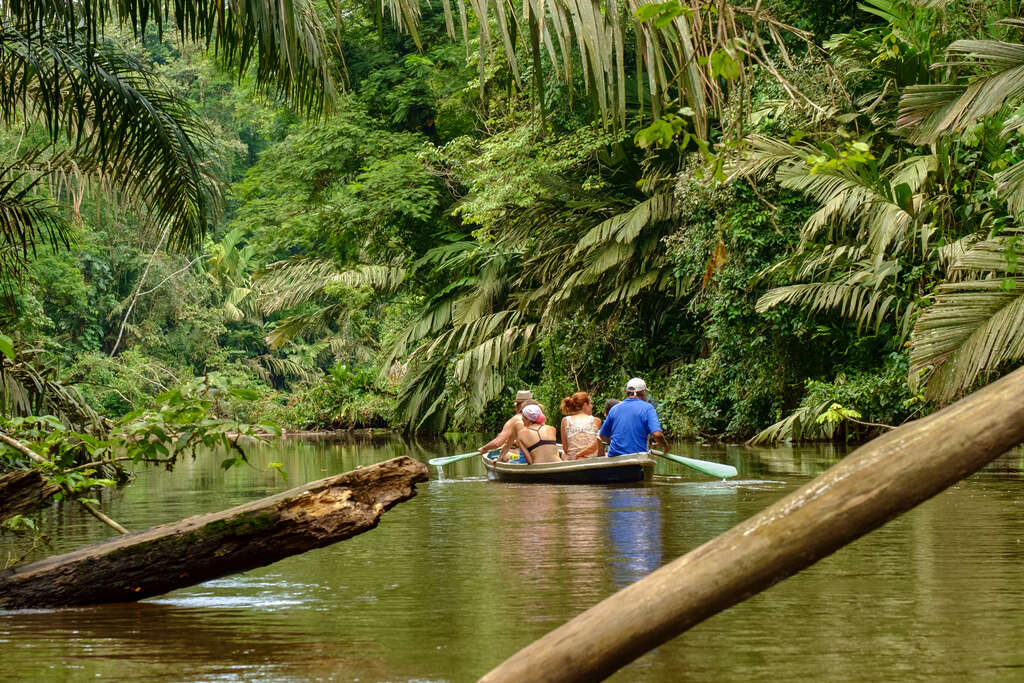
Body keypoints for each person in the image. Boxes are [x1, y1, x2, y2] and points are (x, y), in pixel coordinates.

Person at [599, 378, 667, 457]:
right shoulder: (648, 408)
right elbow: (657, 434)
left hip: (615, 459)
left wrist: (616, 444)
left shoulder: (614, 409)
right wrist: (665, 446)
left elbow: (603, 435)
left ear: (627, 393)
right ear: (643, 392)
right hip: (637, 459)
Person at [478, 390, 535, 456]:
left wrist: (484, 448)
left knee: (500, 454)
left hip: (522, 456)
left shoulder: (515, 419)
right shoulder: (537, 417)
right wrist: (514, 443)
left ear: (518, 406)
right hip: (538, 453)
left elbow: (497, 443)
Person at [560, 391, 603, 460]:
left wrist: (579, 454)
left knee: (563, 455)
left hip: (574, 461)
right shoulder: (596, 420)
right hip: (592, 461)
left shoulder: (565, 421)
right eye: (590, 403)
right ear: (585, 405)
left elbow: (565, 449)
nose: (592, 406)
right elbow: (599, 446)